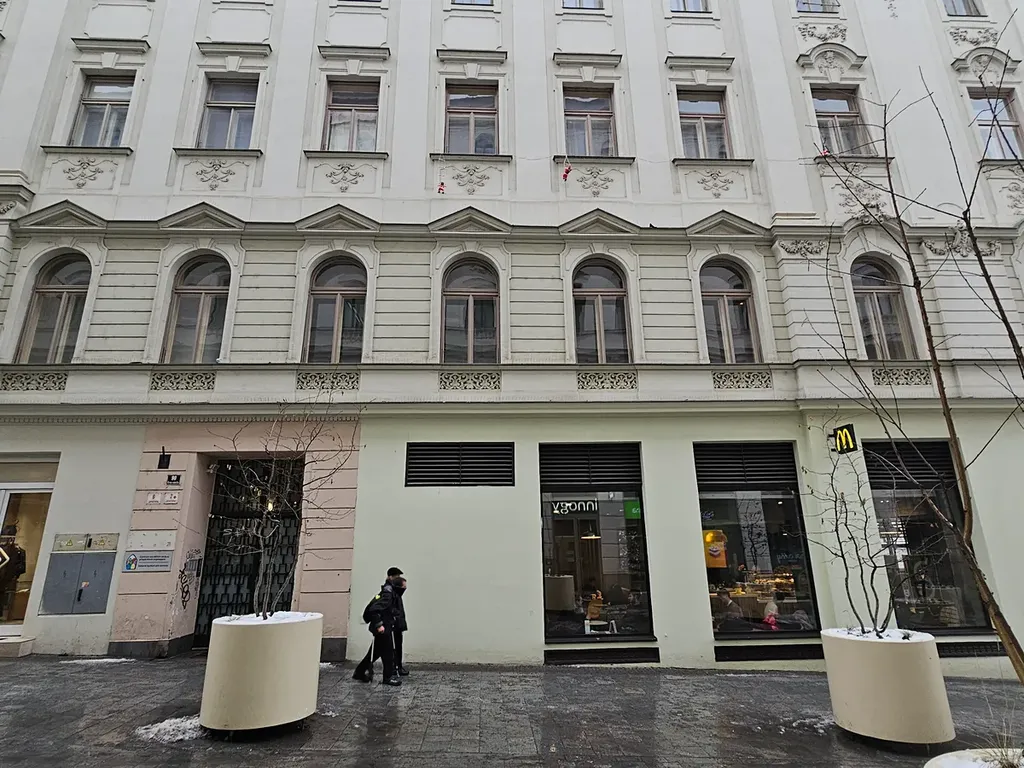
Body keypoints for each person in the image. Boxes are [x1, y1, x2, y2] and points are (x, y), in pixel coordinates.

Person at [353, 567, 403, 686]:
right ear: (390, 577)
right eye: (396, 577)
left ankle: (359, 672)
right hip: (383, 628)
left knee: (375, 653)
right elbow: (375, 609)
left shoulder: (389, 591)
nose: (398, 579)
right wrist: (379, 625)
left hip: (384, 627)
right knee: (388, 654)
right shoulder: (388, 593)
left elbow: (387, 609)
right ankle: (387, 678)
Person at [392, 576, 409, 677]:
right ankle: (395, 667)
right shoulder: (393, 596)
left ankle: (397, 666)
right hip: (394, 626)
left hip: (398, 626)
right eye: (404, 587)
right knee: (395, 648)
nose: (405, 589)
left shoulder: (397, 596)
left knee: (398, 647)